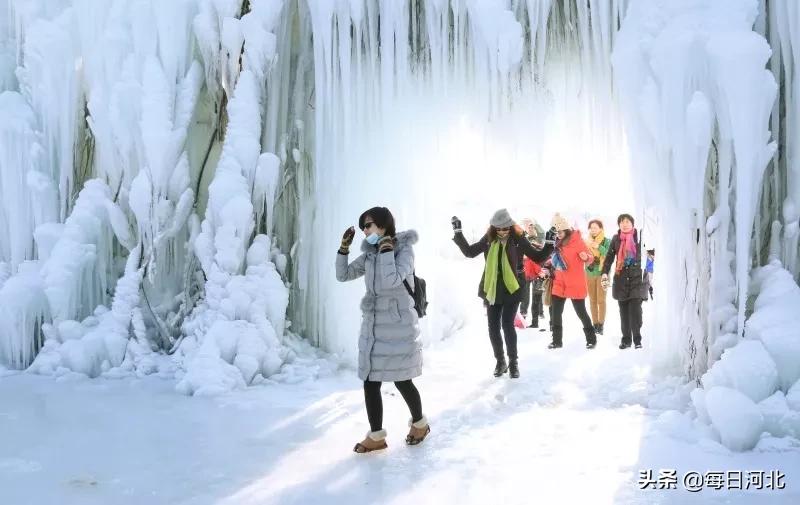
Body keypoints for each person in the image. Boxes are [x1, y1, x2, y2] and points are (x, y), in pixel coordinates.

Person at [336, 206, 430, 453]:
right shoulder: (369, 255)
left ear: (384, 224)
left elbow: (391, 280)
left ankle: (420, 424)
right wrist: (343, 248)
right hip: (374, 328)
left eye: (368, 225)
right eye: (362, 227)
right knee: (370, 381)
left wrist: (387, 250)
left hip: (399, 326)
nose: (365, 231)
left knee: (402, 380)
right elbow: (342, 275)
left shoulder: (405, 250)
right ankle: (376, 435)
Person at [451, 209, 553, 378]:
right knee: (493, 327)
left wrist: (549, 242)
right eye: (498, 229)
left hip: (512, 287)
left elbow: (538, 256)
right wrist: (458, 233)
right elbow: (470, 252)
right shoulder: (489, 239)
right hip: (493, 288)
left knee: (507, 324)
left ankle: (513, 363)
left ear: (511, 227)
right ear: (493, 228)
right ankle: (500, 362)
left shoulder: (518, 239)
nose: (502, 231)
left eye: (505, 228)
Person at [547, 214, 597, 349]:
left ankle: (591, 339)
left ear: (566, 230)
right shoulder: (556, 243)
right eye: (556, 232)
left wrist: (586, 257)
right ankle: (557, 341)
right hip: (559, 282)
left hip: (575, 282)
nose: (558, 234)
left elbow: (591, 258)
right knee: (555, 313)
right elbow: (554, 260)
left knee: (581, 312)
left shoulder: (577, 241)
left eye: (560, 232)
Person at [601, 213, 648, 349]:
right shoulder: (616, 239)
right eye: (622, 222)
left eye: (627, 221)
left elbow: (650, 251)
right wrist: (604, 273)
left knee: (635, 311)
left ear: (632, 223)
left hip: (636, 280)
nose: (624, 224)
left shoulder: (640, 236)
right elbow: (609, 258)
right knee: (624, 313)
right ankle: (626, 340)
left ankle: (637, 339)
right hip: (621, 280)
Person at [585, 219, 612, 335]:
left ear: (601, 228)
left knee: (601, 300)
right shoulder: (586, 242)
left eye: (595, 227)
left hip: (602, 273)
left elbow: (609, 255)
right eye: (591, 228)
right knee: (592, 300)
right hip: (589, 273)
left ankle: (601, 325)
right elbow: (583, 256)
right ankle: (594, 323)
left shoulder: (607, 241)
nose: (593, 230)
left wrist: (598, 247)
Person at [519, 218, 546, 326]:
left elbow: (542, 232)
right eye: (528, 227)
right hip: (526, 271)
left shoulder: (539, 239)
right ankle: (523, 313)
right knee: (525, 294)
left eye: (532, 227)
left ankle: (540, 313)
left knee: (537, 294)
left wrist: (534, 224)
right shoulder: (524, 239)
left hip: (538, 271)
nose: (530, 229)